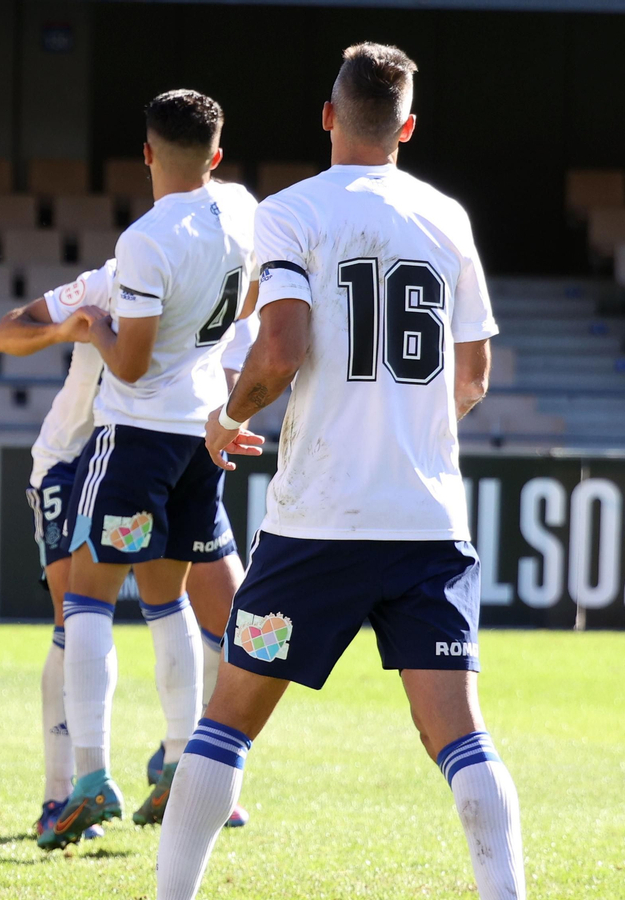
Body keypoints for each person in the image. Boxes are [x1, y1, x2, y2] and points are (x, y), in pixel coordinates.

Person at [160, 44, 522, 899]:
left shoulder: (289, 213)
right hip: (428, 522)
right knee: (459, 736)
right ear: (407, 126)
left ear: (328, 116)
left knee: (230, 722)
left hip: (319, 521)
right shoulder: (448, 217)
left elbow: (279, 352)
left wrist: (228, 416)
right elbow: (471, 380)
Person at [33, 89, 258, 851]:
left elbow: (126, 367)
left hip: (137, 439)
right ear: (217, 155)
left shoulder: (145, 238)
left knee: (89, 598)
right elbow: (253, 294)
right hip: (201, 434)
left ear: (147, 152)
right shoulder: (241, 210)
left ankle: (88, 780)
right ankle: (183, 767)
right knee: (170, 601)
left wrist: (93, 328)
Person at [0, 257, 251, 842]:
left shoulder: (236, 289)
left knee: (231, 618)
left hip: (170, 457)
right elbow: (3, 332)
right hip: (72, 460)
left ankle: (181, 760)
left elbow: (230, 384)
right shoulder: (121, 274)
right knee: (73, 613)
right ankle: (63, 794)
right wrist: (64, 329)